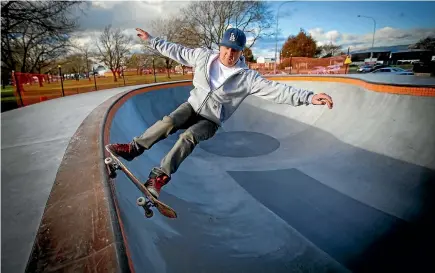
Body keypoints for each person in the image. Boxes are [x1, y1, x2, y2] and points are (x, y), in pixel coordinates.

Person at [107, 27, 334, 199]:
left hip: (212, 119)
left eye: (235, 51)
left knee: (188, 137)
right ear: (221, 46)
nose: (229, 54)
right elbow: (176, 50)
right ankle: (133, 149)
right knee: (168, 122)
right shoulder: (203, 57)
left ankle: (157, 178)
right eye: (226, 48)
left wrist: (309, 97)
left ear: (240, 52)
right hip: (192, 106)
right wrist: (152, 41)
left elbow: (277, 90)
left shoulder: (248, 78)